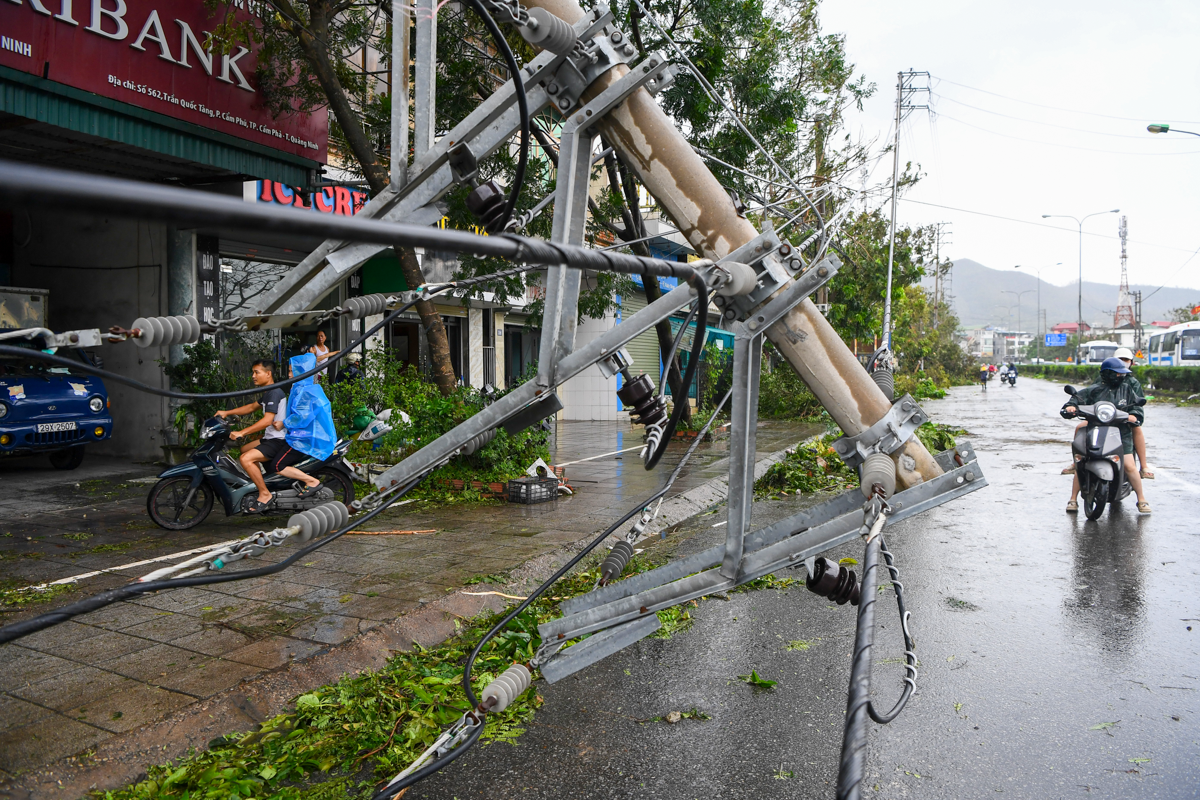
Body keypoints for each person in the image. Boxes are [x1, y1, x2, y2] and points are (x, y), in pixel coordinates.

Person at [1063, 356, 1150, 514]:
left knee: (1130, 466)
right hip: (1096, 430)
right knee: (1081, 462)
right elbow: (1078, 398)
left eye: (1122, 373)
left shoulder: (1128, 389)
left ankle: (1141, 499)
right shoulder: (1095, 389)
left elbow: (1137, 408)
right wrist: (1071, 407)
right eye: (1117, 373)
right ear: (1108, 373)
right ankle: (1073, 499)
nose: (1120, 376)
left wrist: (1134, 416)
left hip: (1121, 432)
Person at [215, 359, 287, 512]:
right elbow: (251, 407)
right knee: (244, 449)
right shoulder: (269, 392)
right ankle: (263, 480)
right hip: (270, 438)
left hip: (277, 441)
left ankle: (264, 493)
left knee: (245, 459)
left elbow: (267, 421)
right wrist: (227, 412)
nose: (253, 376)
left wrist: (242, 432)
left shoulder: (274, 393)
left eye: (256, 372)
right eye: (253, 372)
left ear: (268, 374)